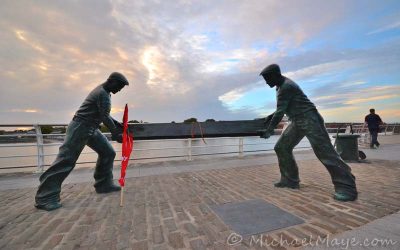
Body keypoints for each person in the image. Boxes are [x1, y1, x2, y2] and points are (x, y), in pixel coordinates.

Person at [259, 64, 358, 201]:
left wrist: (270, 130)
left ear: (276, 75)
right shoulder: (279, 86)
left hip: (310, 119)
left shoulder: (287, 86)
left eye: (267, 78)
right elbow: (283, 107)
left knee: (325, 153)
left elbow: (281, 112)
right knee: (282, 148)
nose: (266, 82)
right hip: (297, 121)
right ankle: (290, 180)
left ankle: (347, 187)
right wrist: (269, 117)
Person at [35, 72, 129, 211]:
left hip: (91, 128)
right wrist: (115, 133)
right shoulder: (102, 93)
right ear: (111, 81)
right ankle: (45, 197)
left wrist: (118, 125)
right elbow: (104, 116)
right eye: (119, 86)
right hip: (80, 127)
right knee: (65, 160)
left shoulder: (105, 92)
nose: (119, 90)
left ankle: (103, 184)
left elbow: (105, 114)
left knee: (108, 153)